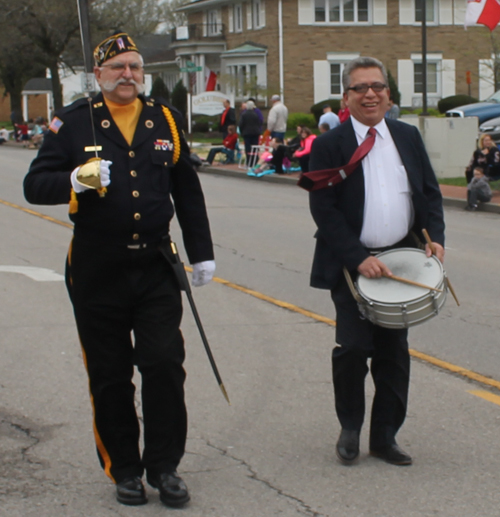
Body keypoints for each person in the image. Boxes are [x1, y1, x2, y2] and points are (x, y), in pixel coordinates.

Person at [24, 31, 215, 509]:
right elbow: (34, 185)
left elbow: (186, 190)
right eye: (117, 68)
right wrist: (75, 179)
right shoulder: (72, 123)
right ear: (99, 75)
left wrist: (202, 251)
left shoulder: (164, 119)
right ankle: (124, 469)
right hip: (97, 266)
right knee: (109, 374)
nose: (127, 74)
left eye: (134, 67)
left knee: (164, 363)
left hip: (154, 263)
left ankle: (165, 466)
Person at [307, 56, 445, 467]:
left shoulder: (407, 136)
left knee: (393, 353)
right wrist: (358, 257)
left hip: (401, 258)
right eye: (361, 88)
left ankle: (385, 437)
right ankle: (350, 428)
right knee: (352, 348)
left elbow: (430, 193)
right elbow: (323, 207)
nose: (371, 94)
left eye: (378, 87)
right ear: (347, 97)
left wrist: (435, 237)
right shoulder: (329, 144)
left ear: (388, 94)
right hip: (352, 262)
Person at [239, 99, 261, 166]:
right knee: (255, 148)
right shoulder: (255, 114)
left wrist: (242, 132)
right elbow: (259, 123)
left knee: (248, 148)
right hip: (255, 133)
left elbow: (241, 124)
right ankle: (255, 161)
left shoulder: (243, 114)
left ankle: (249, 162)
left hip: (247, 133)